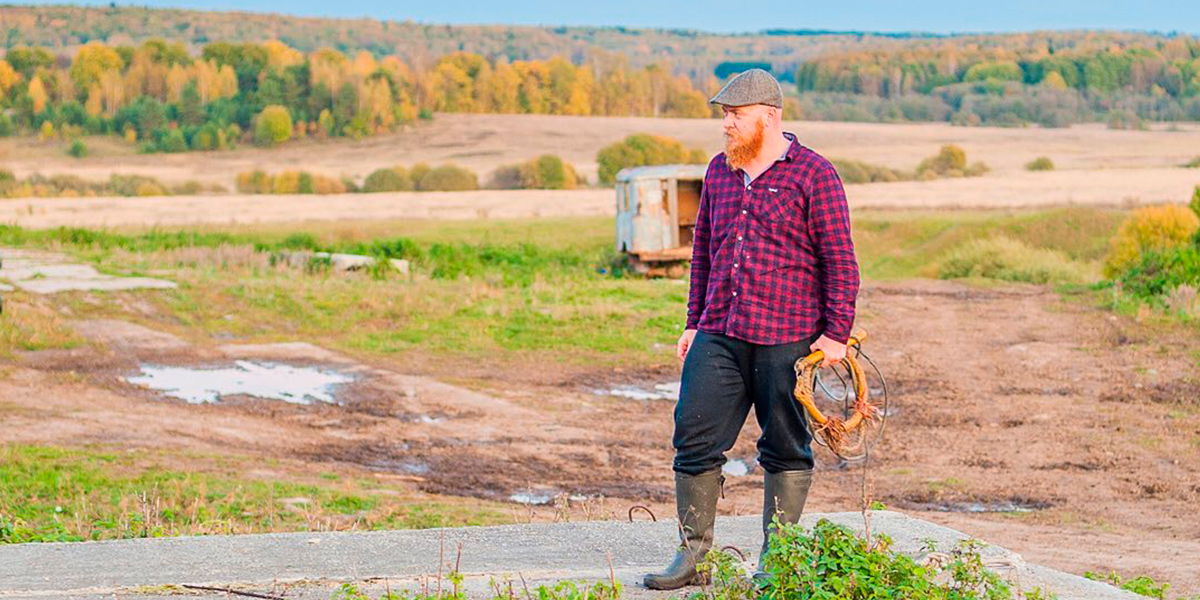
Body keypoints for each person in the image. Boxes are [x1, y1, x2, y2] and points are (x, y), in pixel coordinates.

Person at [643, 68, 860, 589]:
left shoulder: (814, 174)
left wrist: (835, 333)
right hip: (720, 330)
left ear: (769, 116)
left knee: (785, 446)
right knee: (693, 437)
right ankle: (693, 557)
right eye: (724, 115)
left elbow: (841, 259)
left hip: (788, 336)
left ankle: (777, 560)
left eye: (736, 116)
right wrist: (693, 322)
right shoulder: (719, 171)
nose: (727, 125)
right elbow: (704, 252)